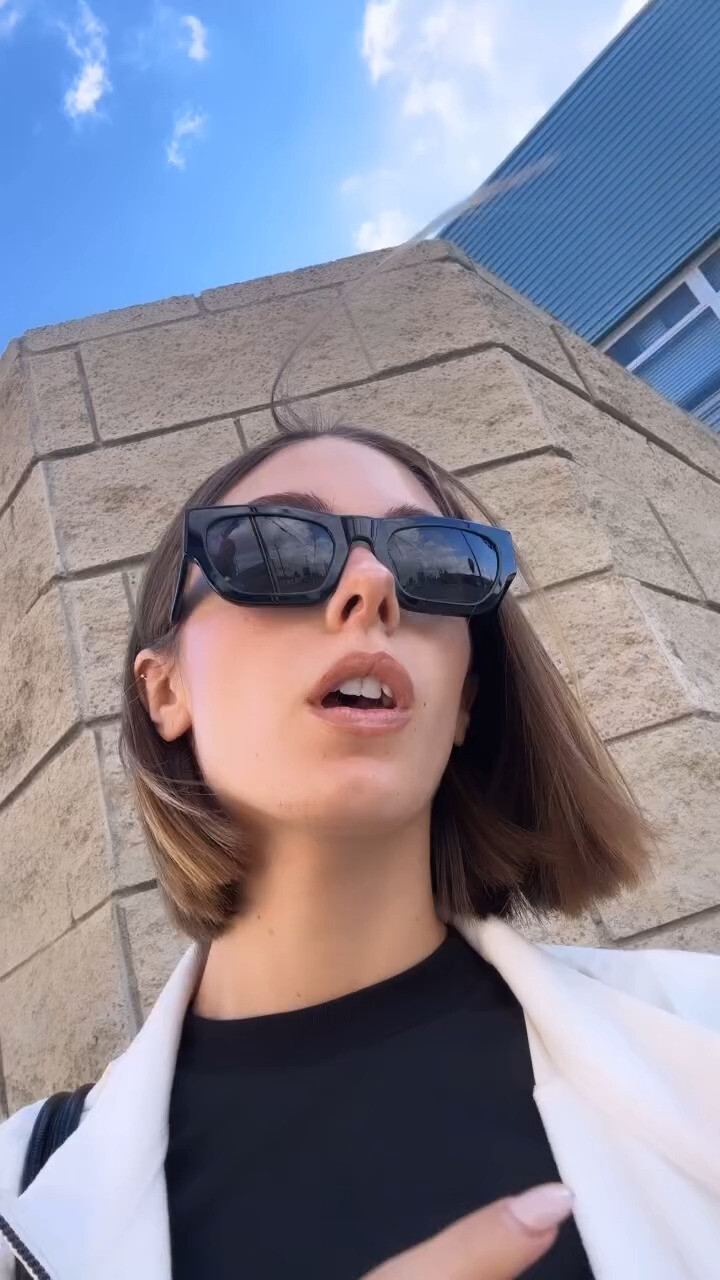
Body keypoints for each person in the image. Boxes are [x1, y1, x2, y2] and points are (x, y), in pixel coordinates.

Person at [1, 422, 719, 1280]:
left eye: (437, 563)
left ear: (464, 703)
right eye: (273, 549)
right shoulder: (21, 1190)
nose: (374, 585)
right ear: (165, 690)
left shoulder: (701, 1028)